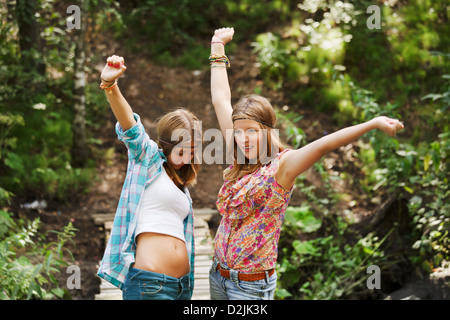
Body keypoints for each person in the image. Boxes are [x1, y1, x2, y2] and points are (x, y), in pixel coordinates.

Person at [208, 27, 404, 300]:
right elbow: (220, 98)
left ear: (267, 130)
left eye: (251, 131)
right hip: (217, 276)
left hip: (250, 287)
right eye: (238, 132)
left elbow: (324, 145)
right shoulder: (239, 156)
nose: (243, 139)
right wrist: (217, 45)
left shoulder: (282, 167)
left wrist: (373, 123)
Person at [97, 55, 202, 300]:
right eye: (182, 150)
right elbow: (131, 129)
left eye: (193, 152)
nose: (186, 158)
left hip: (180, 288)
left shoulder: (180, 186)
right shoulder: (149, 160)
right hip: (149, 285)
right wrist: (111, 86)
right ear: (166, 144)